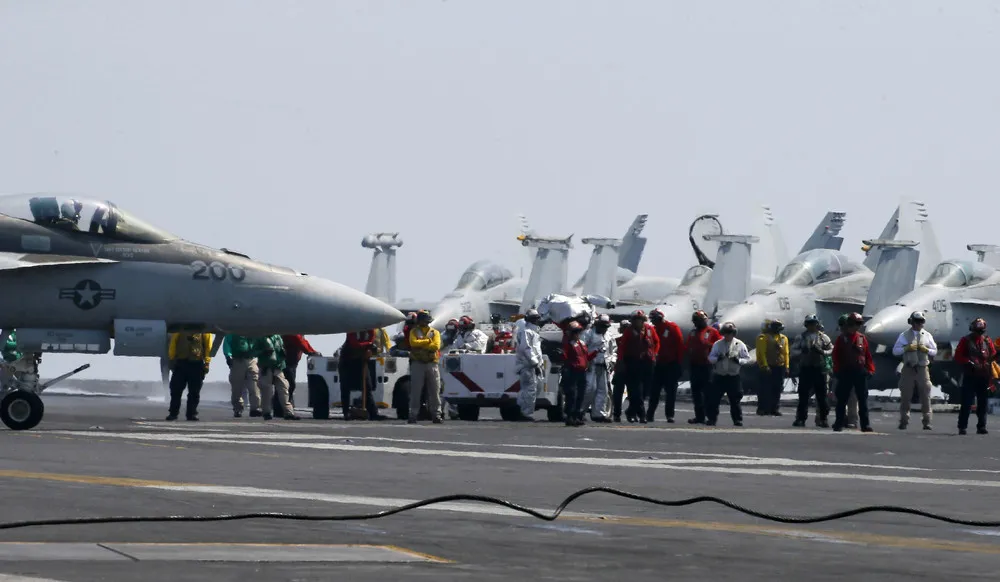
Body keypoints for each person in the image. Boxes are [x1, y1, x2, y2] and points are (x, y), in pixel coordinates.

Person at [891, 310, 938, 431]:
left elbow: (935, 351)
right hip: (908, 368)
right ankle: (904, 421)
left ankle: (927, 421)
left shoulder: (927, 335)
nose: (918, 324)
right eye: (916, 321)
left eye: (921, 321)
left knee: (925, 396)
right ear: (911, 322)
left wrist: (926, 350)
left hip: (923, 368)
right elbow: (895, 351)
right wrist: (906, 348)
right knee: (906, 396)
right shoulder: (904, 335)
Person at [831, 312, 874, 433]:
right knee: (842, 399)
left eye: (859, 324)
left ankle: (865, 425)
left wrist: (870, 369)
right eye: (856, 324)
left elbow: (867, 355)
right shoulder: (842, 338)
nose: (857, 326)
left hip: (860, 372)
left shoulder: (861, 338)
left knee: (862, 399)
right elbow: (836, 356)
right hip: (845, 372)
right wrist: (837, 370)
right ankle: (838, 423)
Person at [954, 318, 996, 435]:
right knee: (966, 402)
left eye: (981, 331)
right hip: (970, 375)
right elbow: (958, 356)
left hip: (984, 376)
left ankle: (981, 426)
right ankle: (962, 427)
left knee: (983, 403)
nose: (979, 334)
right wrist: (968, 362)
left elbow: (992, 355)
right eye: (978, 331)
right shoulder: (965, 340)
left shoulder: (987, 341)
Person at [706, 322, 752, 426]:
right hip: (720, 376)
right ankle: (712, 419)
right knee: (714, 399)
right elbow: (710, 358)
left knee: (735, 400)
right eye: (725, 333)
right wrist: (718, 358)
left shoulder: (740, 344)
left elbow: (747, 359)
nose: (727, 336)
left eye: (729, 333)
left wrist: (738, 361)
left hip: (733, 376)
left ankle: (737, 420)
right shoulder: (717, 344)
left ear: (733, 333)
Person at [791, 314, 833, 427]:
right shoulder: (801, 337)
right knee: (803, 396)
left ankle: (823, 419)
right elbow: (793, 352)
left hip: (820, 369)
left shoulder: (823, 337)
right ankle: (800, 419)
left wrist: (822, 352)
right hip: (806, 369)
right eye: (809, 324)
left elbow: (831, 350)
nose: (811, 326)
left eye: (813, 323)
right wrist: (802, 352)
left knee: (822, 397)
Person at [618, 310, 659, 423]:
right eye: (635, 319)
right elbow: (622, 347)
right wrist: (621, 360)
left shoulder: (650, 329)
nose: (637, 322)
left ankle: (630, 411)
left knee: (646, 390)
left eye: (639, 319)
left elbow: (657, 342)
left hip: (648, 362)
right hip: (633, 363)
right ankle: (642, 415)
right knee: (636, 391)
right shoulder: (629, 331)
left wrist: (654, 354)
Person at [647, 309, 685, 423]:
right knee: (654, 392)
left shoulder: (672, 327)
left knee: (671, 392)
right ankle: (650, 414)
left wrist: (679, 364)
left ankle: (670, 415)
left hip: (671, 365)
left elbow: (680, 345)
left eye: (655, 320)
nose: (654, 322)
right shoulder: (653, 329)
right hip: (657, 365)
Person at [166, 332, 213, 421]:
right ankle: (173, 413)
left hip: (196, 364)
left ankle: (191, 413)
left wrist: (207, 362)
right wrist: (172, 359)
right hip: (181, 363)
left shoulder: (205, 331)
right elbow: (173, 343)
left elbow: (208, 346)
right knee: (175, 389)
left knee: (194, 391)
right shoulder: (179, 329)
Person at [686, 310, 722, 424]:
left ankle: (712, 418)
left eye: (699, 320)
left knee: (709, 393)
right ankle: (699, 417)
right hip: (695, 366)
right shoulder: (692, 333)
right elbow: (687, 346)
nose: (697, 323)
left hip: (708, 367)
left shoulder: (713, 332)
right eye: (695, 321)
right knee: (696, 393)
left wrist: (709, 346)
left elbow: (721, 347)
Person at [408, 310, 443, 424]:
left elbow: (436, 346)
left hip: (432, 363)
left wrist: (422, 343)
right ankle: (413, 414)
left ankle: (437, 414)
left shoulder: (435, 332)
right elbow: (413, 343)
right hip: (418, 363)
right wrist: (428, 341)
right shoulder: (414, 331)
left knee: (435, 391)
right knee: (415, 391)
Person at [561, 321, 598, 427]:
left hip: (582, 372)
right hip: (572, 372)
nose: (576, 334)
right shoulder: (568, 344)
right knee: (572, 394)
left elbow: (587, 358)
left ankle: (576, 416)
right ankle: (570, 417)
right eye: (574, 332)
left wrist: (596, 352)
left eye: (577, 332)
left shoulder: (582, 344)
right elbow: (564, 357)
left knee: (581, 395)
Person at [338, 329, 381, 421]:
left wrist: (369, 348)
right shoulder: (352, 329)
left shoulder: (370, 329)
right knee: (345, 387)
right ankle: (346, 412)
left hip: (361, 361)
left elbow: (371, 339)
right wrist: (368, 345)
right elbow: (354, 344)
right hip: (347, 361)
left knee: (367, 386)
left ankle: (373, 413)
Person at [258, 335, 300, 420]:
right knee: (267, 391)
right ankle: (266, 412)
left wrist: (283, 355)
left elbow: (280, 350)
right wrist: (263, 352)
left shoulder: (278, 337)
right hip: (266, 368)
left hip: (278, 368)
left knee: (284, 389)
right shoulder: (261, 338)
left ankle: (289, 413)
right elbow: (254, 351)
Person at [585, 313, 617, 423]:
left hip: (604, 366)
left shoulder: (609, 336)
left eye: (605, 326)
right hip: (591, 365)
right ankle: (580, 411)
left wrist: (612, 362)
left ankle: (598, 414)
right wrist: (585, 362)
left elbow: (614, 351)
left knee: (603, 390)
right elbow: (582, 349)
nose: (603, 328)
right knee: (589, 389)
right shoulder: (588, 334)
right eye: (601, 326)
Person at [514, 309, 544, 421]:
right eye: (534, 319)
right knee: (529, 390)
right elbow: (526, 348)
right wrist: (535, 363)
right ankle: (526, 413)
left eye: (536, 318)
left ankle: (522, 410)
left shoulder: (534, 332)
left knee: (532, 389)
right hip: (528, 366)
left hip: (532, 365)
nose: (536, 321)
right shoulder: (526, 332)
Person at [756, 319, 790, 417]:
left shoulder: (784, 338)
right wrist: (765, 366)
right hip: (767, 367)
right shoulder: (763, 338)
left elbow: (786, 353)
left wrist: (787, 366)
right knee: (764, 389)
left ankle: (774, 408)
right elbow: (761, 353)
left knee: (777, 388)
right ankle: (762, 408)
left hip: (779, 366)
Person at [281, 334, 321, 410]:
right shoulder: (293, 331)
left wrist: (312, 351)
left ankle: (284, 406)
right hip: (288, 361)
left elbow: (302, 341)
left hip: (291, 361)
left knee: (286, 384)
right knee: (289, 384)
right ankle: (284, 406)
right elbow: (298, 340)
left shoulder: (296, 332)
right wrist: (311, 352)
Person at [228, 335, 263, 418]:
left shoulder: (254, 330)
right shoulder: (232, 331)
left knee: (254, 385)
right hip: (237, 360)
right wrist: (228, 356)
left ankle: (255, 408)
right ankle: (238, 408)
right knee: (237, 386)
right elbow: (227, 343)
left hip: (252, 359)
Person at [611, 320, 631, 422]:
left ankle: (631, 412)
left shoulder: (634, 341)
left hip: (631, 369)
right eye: (624, 327)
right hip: (620, 369)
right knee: (617, 393)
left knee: (633, 393)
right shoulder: (616, 340)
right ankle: (616, 413)